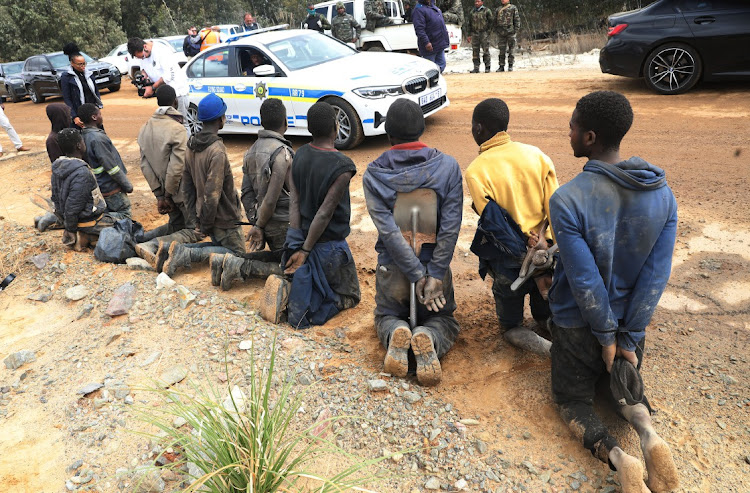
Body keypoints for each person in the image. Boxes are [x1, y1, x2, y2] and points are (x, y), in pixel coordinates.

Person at [549, 91, 679, 493]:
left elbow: (584, 279)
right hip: (629, 332)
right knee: (621, 385)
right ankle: (648, 435)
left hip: (576, 327)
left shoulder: (567, 199)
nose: (567, 132)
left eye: (571, 126)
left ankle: (620, 459)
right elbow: (656, 277)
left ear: (589, 137)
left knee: (573, 402)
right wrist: (628, 337)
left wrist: (605, 338)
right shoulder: (663, 195)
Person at [363, 99, 462, 386]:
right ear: (422, 129)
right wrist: (433, 274)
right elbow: (451, 226)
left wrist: (414, 275)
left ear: (389, 135)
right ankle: (428, 336)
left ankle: (396, 330)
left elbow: (390, 232)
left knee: (385, 315)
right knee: (445, 320)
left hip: (394, 269)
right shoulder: (448, 167)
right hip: (435, 270)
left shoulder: (373, 174)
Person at [465, 98, 558, 356]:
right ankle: (566, 341)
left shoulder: (476, 170)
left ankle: (553, 353)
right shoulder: (536, 155)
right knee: (545, 313)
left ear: (479, 129)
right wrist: (547, 245)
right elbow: (555, 210)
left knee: (510, 327)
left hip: (510, 264)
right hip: (544, 256)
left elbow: (494, 224)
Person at [260, 102, 360, 327]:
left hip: (300, 234)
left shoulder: (299, 154)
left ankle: (288, 290)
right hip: (329, 246)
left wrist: (297, 242)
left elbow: (294, 200)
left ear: (309, 129)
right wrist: (305, 250)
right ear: (336, 128)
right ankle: (294, 303)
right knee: (350, 296)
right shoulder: (343, 166)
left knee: (312, 276)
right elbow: (324, 214)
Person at [210, 98, 293, 291]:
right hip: (282, 222)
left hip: (263, 221)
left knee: (279, 256)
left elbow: (246, 193)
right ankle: (240, 266)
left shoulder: (251, 152)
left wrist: (256, 221)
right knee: (295, 268)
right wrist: (259, 226)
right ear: (286, 122)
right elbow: (272, 199)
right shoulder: (282, 153)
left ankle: (226, 262)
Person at [160, 93, 246, 277]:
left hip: (205, 214)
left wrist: (196, 218)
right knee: (238, 256)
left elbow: (188, 188)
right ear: (220, 119)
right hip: (225, 218)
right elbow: (212, 194)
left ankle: (180, 251)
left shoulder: (192, 145)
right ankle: (186, 253)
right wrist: (205, 224)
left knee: (218, 248)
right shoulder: (217, 151)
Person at [134, 85, 199, 270]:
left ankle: (141, 239)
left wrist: (160, 195)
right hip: (179, 192)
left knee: (175, 225)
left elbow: (145, 166)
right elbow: (177, 167)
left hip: (163, 191)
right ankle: (151, 245)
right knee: (193, 231)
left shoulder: (145, 128)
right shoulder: (177, 129)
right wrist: (169, 194)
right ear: (175, 102)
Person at [51, 128, 114, 250]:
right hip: (88, 220)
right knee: (126, 227)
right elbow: (73, 206)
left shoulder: (58, 167)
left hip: (74, 218)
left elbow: (56, 198)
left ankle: (86, 234)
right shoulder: (82, 172)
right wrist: (70, 230)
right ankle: (87, 235)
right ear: (79, 145)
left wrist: (65, 222)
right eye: (83, 141)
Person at [78, 103, 133, 219]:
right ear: (94, 117)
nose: (101, 117)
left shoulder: (84, 135)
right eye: (100, 114)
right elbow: (111, 167)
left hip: (102, 186)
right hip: (111, 188)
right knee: (124, 216)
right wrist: (127, 185)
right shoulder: (97, 139)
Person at [127, 37, 191, 134]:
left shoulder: (161, 52)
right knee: (169, 125)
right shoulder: (143, 55)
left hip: (178, 93)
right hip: (164, 95)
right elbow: (144, 69)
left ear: (145, 47)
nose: (142, 59)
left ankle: (185, 148)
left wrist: (152, 88)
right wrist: (143, 78)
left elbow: (167, 76)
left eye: (142, 57)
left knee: (181, 124)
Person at [60, 43, 102, 128]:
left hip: (92, 113)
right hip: (78, 115)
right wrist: (74, 116)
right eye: (79, 64)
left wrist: (97, 108)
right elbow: (67, 98)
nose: (83, 66)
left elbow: (95, 91)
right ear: (72, 63)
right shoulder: (66, 77)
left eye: (84, 63)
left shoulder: (88, 74)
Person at [412, 0, 450, 73]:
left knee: (442, 64)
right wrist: (426, 42)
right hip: (430, 45)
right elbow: (420, 29)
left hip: (439, 43)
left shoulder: (433, 7)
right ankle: (428, 82)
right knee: (429, 68)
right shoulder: (419, 10)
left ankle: (436, 80)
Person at [467, 0, 493, 73]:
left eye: (478, 1)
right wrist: (469, 35)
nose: (476, 3)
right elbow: (469, 24)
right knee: (475, 51)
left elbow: (491, 22)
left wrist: (488, 32)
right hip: (475, 34)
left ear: (482, 2)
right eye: (475, 2)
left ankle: (487, 67)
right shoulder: (472, 12)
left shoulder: (487, 11)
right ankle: (476, 67)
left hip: (484, 33)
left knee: (486, 51)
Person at [495, 0, 520, 71]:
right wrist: (497, 30)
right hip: (501, 33)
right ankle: (501, 66)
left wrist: (515, 30)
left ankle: (510, 65)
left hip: (510, 32)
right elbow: (495, 21)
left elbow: (517, 20)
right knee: (501, 50)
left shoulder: (513, 8)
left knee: (511, 49)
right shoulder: (498, 9)